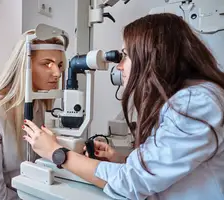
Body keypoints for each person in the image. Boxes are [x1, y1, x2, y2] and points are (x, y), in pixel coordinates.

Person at [22, 13, 224, 200]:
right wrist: (122, 159)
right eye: (46, 63)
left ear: (152, 56)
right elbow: (163, 162)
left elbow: (133, 181)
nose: (119, 66)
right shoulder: (189, 98)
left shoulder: (195, 103)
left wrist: (57, 153)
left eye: (125, 55)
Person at [0, 30, 67, 200]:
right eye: (47, 63)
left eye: (59, 65)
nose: (57, 73)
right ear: (25, 66)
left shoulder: (36, 105)